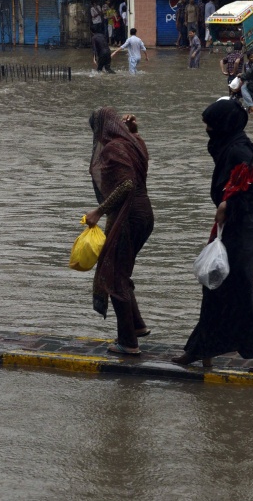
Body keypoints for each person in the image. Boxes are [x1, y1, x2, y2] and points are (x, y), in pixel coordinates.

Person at [171, 99, 253, 372]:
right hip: (227, 230)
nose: (207, 129)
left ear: (223, 125)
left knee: (242, 292)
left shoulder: (238, 150)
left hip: (241, 231)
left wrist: (228, 205)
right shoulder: (228, 146)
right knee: (213, 286)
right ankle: (200, 349)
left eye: (210, 124)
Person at [85, 108, 154, 355]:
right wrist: (134, 132)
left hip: (128, 217)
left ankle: (128, 343)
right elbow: (140, 152)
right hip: (144, 214)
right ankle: (136, 326)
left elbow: (126, 184)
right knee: (120, 271)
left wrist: (99, 211)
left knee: (114, 276)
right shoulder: (133, 143)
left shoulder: (114, 148)